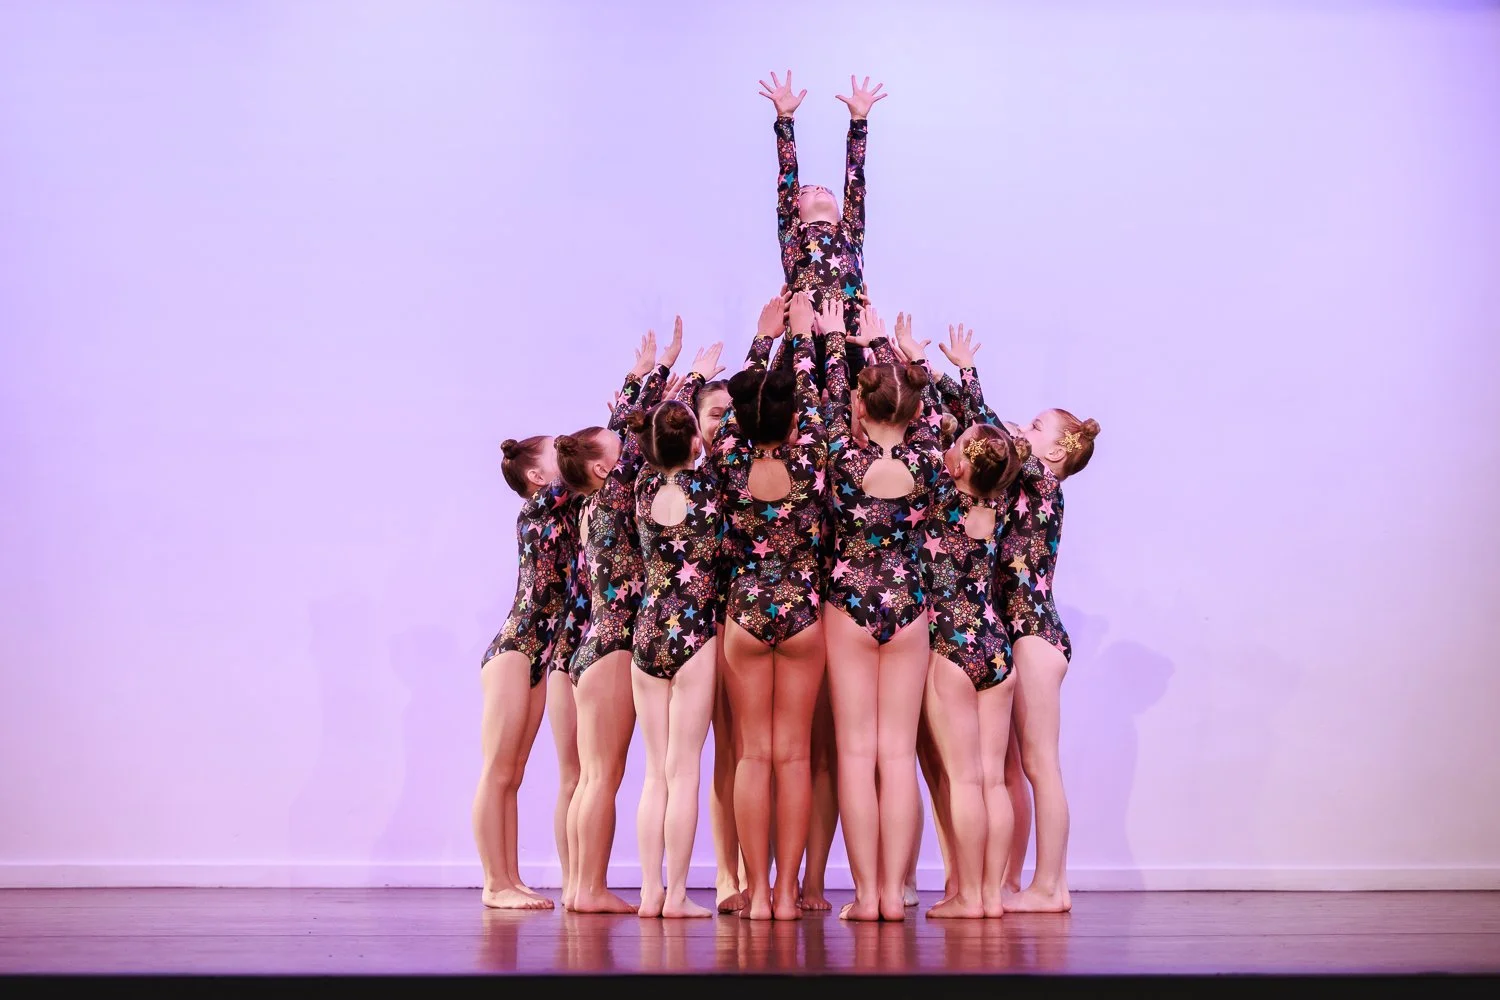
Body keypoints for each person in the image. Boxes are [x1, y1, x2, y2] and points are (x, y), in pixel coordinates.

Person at [821, 303, 941, 921]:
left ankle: (867, 895)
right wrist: (900, 354)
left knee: (855, 751)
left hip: (848, 602)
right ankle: (895, 894)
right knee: (897, 755)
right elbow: (939, 415)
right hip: (908, 603)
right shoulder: (927, 457)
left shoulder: (842, 457)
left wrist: (846, 348)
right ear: (915, 411)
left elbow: (823, 416)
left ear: (860, 410)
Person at [554, 326, 678, 913]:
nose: (625, 450)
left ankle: (581, 885)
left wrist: (646, 375)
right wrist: (673, 376)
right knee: (601, 777)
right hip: (609, 648)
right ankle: (589, 888)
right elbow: (633, 432)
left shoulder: (593, 500)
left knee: (590, 776)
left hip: (593, 647)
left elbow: (624, 430)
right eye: (615, 451)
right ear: (604, 470)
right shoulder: (611, 496)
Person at [715, 290, 829, 920]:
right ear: (790, 422)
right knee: (794, 757)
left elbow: (742, 412)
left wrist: (764, 338)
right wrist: (805, 340)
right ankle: (788, 894)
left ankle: (756, 893)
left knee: (753, 755)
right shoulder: (812, 459)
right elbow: (809, 407)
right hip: (804, 614)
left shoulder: (728, 459)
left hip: (745, 615)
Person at [918, 325, 1032, 918]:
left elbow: (954, 441)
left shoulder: (940, 494)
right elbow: (997, 447)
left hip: (952, 647)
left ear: (962, 461)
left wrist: (915, 362)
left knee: (965, 781)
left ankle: (969, 894)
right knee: (993, 780)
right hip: (996, 647)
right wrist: (966, 377)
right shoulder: (1001, 499)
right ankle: (992, 894)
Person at [629, 342, 729, 919]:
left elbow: (646, 424)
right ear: (698, 443)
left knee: (654, 772)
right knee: (684, 769)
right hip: (694, 634)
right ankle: (676, 894)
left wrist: (679, 374)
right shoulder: (711, 488)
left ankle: (647, 893)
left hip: (648, 633)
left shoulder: (641, 488)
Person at [998, 408, 1101, 913]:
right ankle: (1044, 885)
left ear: (1057, 451)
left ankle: (1049, 887)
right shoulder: (1030, 485)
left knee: (1041, 766)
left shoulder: (1044, 483)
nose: (1024, 427)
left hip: (1035, 637)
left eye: (1037, 427)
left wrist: (962, 376)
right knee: (1031, 765)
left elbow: (993, 434)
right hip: (1030, 634)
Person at [472, 435, 575, 909]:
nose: (571, 453)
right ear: (537, 476)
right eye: (562, 452)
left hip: (540, 653)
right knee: (498, 772)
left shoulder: (567, 511)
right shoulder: (536, 509)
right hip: (515, 649)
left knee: (514, 773)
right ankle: (495, 884)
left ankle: (510, 878)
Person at [758, 70, 887, 385]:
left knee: (860, 409)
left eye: (826, 190)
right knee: (795, 414)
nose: (818, 190)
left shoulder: (851, 234)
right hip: (802, 334)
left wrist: (859, 121)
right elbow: (787, 173)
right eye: (807, 191)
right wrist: (784, 119)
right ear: (795, 210)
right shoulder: (793, 235)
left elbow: (856, 175)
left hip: (847, 336)